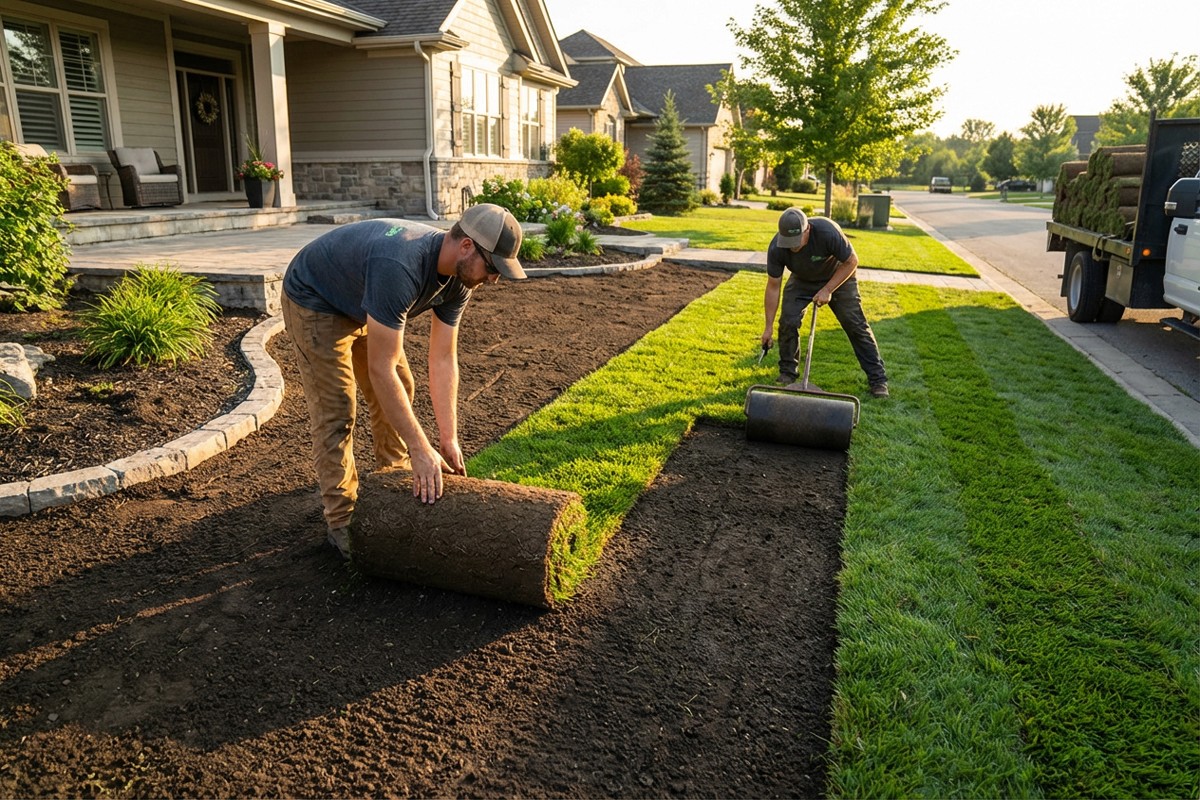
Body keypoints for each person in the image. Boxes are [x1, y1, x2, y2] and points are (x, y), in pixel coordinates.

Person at [281, 203, 525, 558]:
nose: (494, 279)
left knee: (401, 385)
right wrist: (420, 447)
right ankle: (342, 522)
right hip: (316, 300)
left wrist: (447, 439)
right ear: (467, 246)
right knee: (337, 412)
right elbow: (381, 368)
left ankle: (390, 478)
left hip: (362, 297)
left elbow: (443, 358)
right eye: (492, 268)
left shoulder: (459, 280)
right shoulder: (401, 264)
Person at [761, 207, 889, 398]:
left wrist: (828, 289)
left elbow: (852, 261)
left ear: (808, 230)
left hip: (838, 275)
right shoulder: (777, 247)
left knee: (855, 324)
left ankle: (878, 380)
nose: (793, 247)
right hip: (802, 279)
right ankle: (788, 372)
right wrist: (768, 327)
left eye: (796, 242)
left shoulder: (827, 232)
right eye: (789, 242)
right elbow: (773, 287)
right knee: (788, 321)